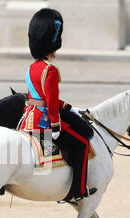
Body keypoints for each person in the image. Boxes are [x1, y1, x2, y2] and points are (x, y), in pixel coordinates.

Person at [17, 8, 96, 202]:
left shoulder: (32, 68)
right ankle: (78, 190)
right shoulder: (50, 69)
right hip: (44, 121)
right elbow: (51, 102)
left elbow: (38, 96)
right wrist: (55, 126)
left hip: (28, 118)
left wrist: (70, 108)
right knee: (83, 143)